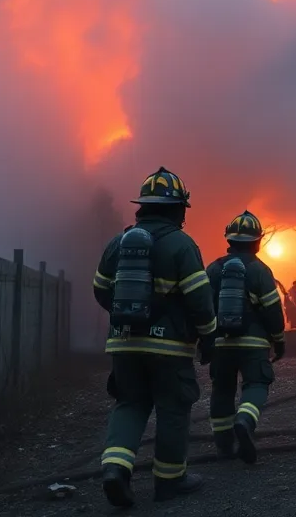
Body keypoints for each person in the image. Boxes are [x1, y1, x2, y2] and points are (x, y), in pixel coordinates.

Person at [92, 167, 216, 507]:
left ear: (143, 207)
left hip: (123, 344)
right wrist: (208, 337)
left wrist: (125, 318)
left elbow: (100, 289)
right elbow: (200, 300)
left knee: (130, 403)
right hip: (169, 348)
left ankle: (115, 470)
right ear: (178, 208)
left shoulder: (118, 243)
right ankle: (170, 480)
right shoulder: (181, 244)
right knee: (173, 407)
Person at [204, 210, 286, 464]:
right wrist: (279, 339)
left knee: (222, 390)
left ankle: (223, 447)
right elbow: (272, 309)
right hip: (254, 343)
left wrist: (204, 340)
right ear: (258, 241)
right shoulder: (260, 270)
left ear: (229, 240)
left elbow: (203, 306)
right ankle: (245, 420)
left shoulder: (214, 269)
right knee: (257, 384)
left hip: (221, 343)